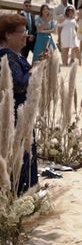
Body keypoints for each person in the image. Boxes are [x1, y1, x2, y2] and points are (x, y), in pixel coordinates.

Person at [0, 14, 39, 194]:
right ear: (8, 35)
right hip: (15, 116)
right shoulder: (6, 56)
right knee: (21, 156)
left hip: (21, 113)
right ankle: (21, 193)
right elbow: (19, 84)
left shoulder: (15, 55)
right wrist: (35, 70)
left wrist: (36, 64)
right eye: (22, 32)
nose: (26, 35)